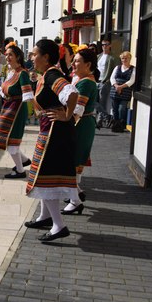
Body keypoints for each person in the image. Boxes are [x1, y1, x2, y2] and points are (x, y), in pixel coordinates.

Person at [23, 39, 79, 242]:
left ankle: (59, 225)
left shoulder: (53, 74)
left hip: (56, 134)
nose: (32, 57)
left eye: (34, 54)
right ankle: (45, 216)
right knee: (44, 176)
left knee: (46, 178)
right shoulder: (45, 75)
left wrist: (66, 115)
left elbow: (72, 94)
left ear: (46, 57)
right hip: (50, 132)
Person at [0, 42, 34, 178]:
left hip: (17, 109)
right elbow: (2, 89)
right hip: (8, 108)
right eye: (6, 55)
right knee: (7, 137)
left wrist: (38, 111)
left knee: (11, 140)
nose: (7, 57)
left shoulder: (22, 73)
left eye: (10, 54)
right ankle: (23, 161)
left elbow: (28, 94)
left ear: (18, 57)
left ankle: (20, 170)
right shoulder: (10, 72)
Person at [62, 47, 99, 215]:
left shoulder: (86, 82)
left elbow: (78, 109)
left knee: (73, 160)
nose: (73, 63)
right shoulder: (81, 79)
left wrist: (65, 122)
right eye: (74, 60)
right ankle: (74, 193)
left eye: (77, 61)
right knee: (73, 159)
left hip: (81, 124)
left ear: (88, 64)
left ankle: (75, 199)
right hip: (83, 123)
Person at [109, 51, 135, 133]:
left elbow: (131, 81)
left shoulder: (133, 69)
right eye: (122, 58)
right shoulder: (117, 67)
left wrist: (121, 87)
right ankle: (116, 125)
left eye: (126, 58)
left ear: (129, 59)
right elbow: (112, 78)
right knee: (115, 109)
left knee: (121, 109)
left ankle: (121, 124)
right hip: (115, 91)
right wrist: (116, 86)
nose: (124, 60)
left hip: (125, 92)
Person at [96, 40, 117, 128]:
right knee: (96, 101)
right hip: (97, 80)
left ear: (109, 46)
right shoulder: (99, 56)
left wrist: (107, 80)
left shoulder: (111, 58)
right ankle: (106, 116)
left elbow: (112, 71)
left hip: (105, 81)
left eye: (106, 45)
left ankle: (100, 119)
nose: (104, 46)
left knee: (102, 100)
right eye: (103, 45)